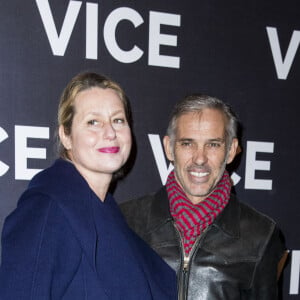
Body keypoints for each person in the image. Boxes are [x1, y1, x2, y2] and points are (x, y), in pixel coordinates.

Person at [0, 72, 177, 299]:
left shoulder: (110, 215)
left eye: (118, 120)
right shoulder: (46, 209)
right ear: (66, 136)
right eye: (93, 122)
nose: (110, 132)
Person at [120, 94, 286, 300]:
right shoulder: (126, 221)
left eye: (213, 144)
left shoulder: (261, 235)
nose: (200, 158)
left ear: (231, 150)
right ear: (169, 147)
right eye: (188, 143)